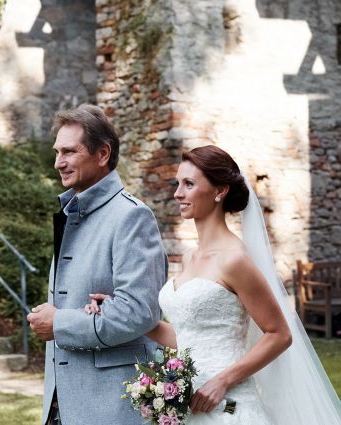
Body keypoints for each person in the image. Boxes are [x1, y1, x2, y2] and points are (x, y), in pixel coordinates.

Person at [88, 145, 341, 424]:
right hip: (190, 407)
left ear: (219, 191)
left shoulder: (234, 259)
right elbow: (189, 336)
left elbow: (279, 334)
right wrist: (119, 311)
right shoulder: (189, 257)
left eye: (189, 184)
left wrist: (222, 381)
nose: (177, 193)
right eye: (177, 184)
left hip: (229, 407)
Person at [25, 106, 167, 425]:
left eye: (69, 151)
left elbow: (140, 313)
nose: (58, 162)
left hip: (112, 408)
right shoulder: (72, 213)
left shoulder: (132, 217)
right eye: (57, 152)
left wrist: (59, 322)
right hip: (62, 405)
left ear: (102, 153)